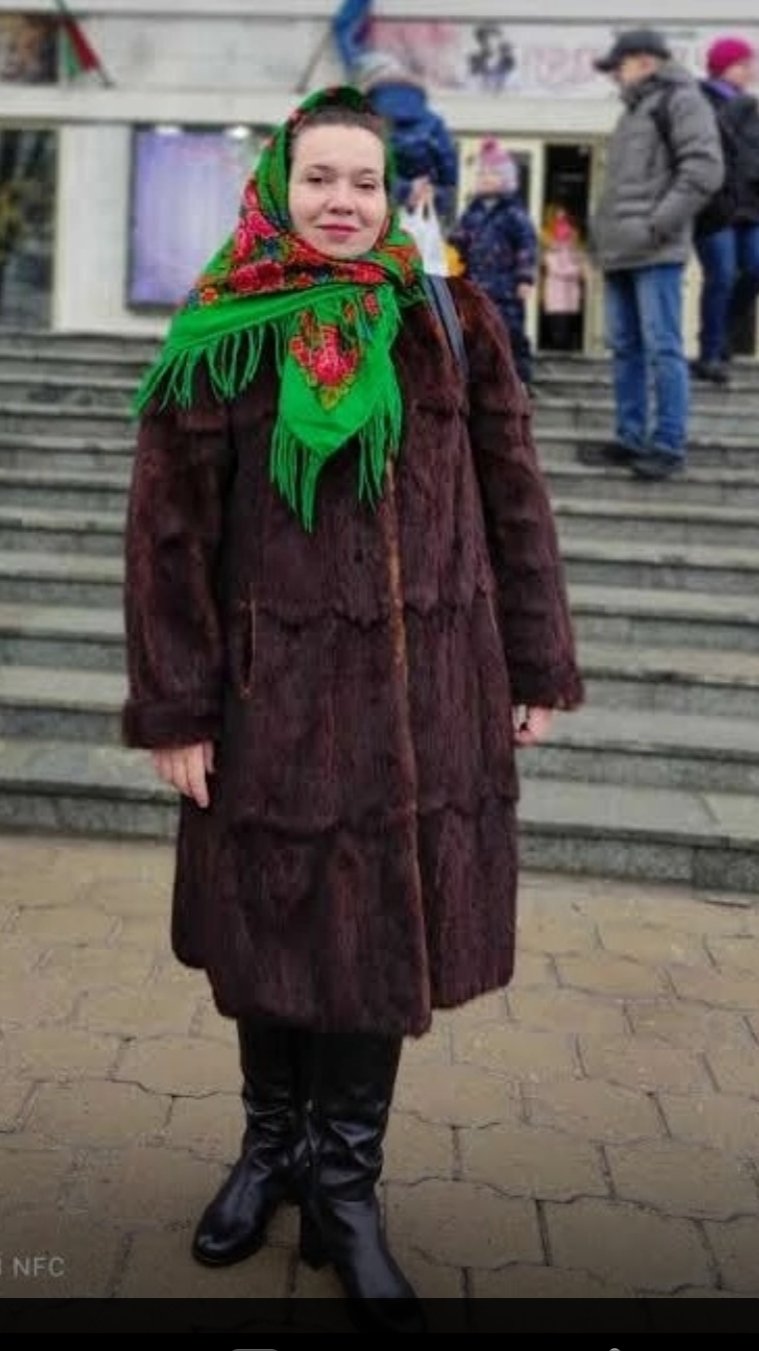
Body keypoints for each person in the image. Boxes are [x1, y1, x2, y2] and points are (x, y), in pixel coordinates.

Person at [121, 85, 583, 1332]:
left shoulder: (449, 316)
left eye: (363, 182)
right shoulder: (225, 323)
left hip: (425, 706)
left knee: (381, 944)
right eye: (318, 178)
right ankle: (269, 1146)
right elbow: (169, 536)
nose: (342, 202)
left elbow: (514, 496)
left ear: (394, 195)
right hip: (267, 703)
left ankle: (345, 1187)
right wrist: (176, 707)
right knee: (268, 932)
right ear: (279, 187)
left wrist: (535, 663)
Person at [581, 28, 724, 480]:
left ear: (644, 61)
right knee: (625, 348)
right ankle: (630, 436)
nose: (615, 76)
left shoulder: (682, 100)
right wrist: (599, 243)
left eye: (618, 66)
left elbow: (704, 170)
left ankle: (667, 444)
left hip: (656, 250)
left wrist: (657, 225)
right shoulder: (633, 112)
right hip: (620, 251)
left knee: (663, 347)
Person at [331, 0, 458, 223]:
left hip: (370, 224)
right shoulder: (432, 122)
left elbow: (343, 28)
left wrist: (404, 191)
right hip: (416, 224)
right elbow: (449, 178)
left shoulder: (364, 124)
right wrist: (429, 195)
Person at [692, 36, 759, 386]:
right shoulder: (700, 101)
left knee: (754, 268)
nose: (750, 71)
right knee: (721, 273)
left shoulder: (752, 107)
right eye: (743, 65)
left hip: (750, 205)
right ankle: (710, 352)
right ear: (723, 67)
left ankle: (722, 335)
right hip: (715, 207)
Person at [448, 137, 538, 389]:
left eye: (492, 173)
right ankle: (478, 384)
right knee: (475, 334)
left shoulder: (514, 213)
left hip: (505, 291)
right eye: (481, 174)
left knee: (509, 334)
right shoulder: (472, 212)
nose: (485, 178)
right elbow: (458, 245)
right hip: (475, 289)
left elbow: (527, 246)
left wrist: (524, 278)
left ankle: (519, 381)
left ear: (506, 179)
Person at [540, 205, 585, 351]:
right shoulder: (550, 249)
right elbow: (554, 268)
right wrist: (574, 270)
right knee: (557, 323)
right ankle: (558, 346)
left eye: (564, 220)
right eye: (558, 220)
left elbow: (582, 265)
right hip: (556, 291)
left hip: (570, 293)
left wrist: (577, 267)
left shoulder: (574, 247)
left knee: (570, 321)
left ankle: (568, 346)